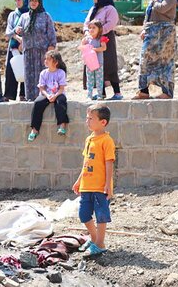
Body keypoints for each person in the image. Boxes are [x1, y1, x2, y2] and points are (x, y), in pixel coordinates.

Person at [73, 104, 115, 257]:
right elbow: (86, 162)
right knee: (84, 214)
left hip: (100, 187)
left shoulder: (107, 141)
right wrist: (79, 180)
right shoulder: (89, 139)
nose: (87, 121)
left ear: (103, 122)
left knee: (101, 216)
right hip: (86, 185)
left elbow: (109, 163)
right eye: (87, 118)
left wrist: (108, 184)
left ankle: (100, 244)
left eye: (91, 118)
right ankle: (94, 238)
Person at [133, 0, 178, 100]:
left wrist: (153, 0)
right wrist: (144, 29)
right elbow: (148, 15)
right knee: (145, 59)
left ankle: (167, 92)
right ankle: (143, 91)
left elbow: (162, 8)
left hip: (165, 35)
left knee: (165, 62)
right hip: (151, 33)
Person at [14, 0, 57, 101]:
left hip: (42, 50)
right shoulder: (24, 17)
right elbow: (18, 28)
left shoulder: (46, 16)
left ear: (39, 3)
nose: (33, 3)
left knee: (42, 73)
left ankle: (43, 97)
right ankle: (30, 98)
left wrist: (51, 47)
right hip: (28, 50)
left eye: (35, 1)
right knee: (29, 75)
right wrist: (18, 30)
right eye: (31, 1)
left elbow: (51, 32)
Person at [83, 0, 122, 100]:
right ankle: (101, 93)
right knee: (95, 65)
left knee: (109, 64)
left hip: (106, 39)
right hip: (93, 40)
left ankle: (117, 92)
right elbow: (86, 23)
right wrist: (88, 33)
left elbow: (111, 24)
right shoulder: (93, 9)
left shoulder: (110, 9)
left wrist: (98, 33)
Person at [28, 50, 69, 142]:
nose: (45, 61)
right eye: (45, 59)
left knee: (61, 102)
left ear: (56, 62)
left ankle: (62, 125)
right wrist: (48, 96)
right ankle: (35, 129)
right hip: (46, 94)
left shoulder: (61, 73)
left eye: (48, 59)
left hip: (58, 94)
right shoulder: (43, 73)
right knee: (38, 103)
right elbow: (42, 88)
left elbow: (61, 88)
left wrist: (55, 96)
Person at [4, 0, 29, 101]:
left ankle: (24, 94)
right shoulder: (13, 15)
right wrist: (18, 38)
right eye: (16, 0)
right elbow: (8, 32)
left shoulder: (30, 14)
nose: (17, 3)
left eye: (19, 0)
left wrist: (24, 41)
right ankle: (9, 94)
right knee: (11, 70)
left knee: (25, 70)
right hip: (14, 46)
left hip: (27, 45)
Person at [81, 20, 108, 100]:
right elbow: (82, 47)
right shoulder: (87, 39)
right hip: (89, 63)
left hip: (99, 62)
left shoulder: (101, 38)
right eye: (90, 28)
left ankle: (100, 95)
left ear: (99, 29)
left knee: (99, 80)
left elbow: (104, 48)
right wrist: (83, 44)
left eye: (94, 28)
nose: (91, 29)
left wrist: (94, 49)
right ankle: (89, 95)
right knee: (90, 80)